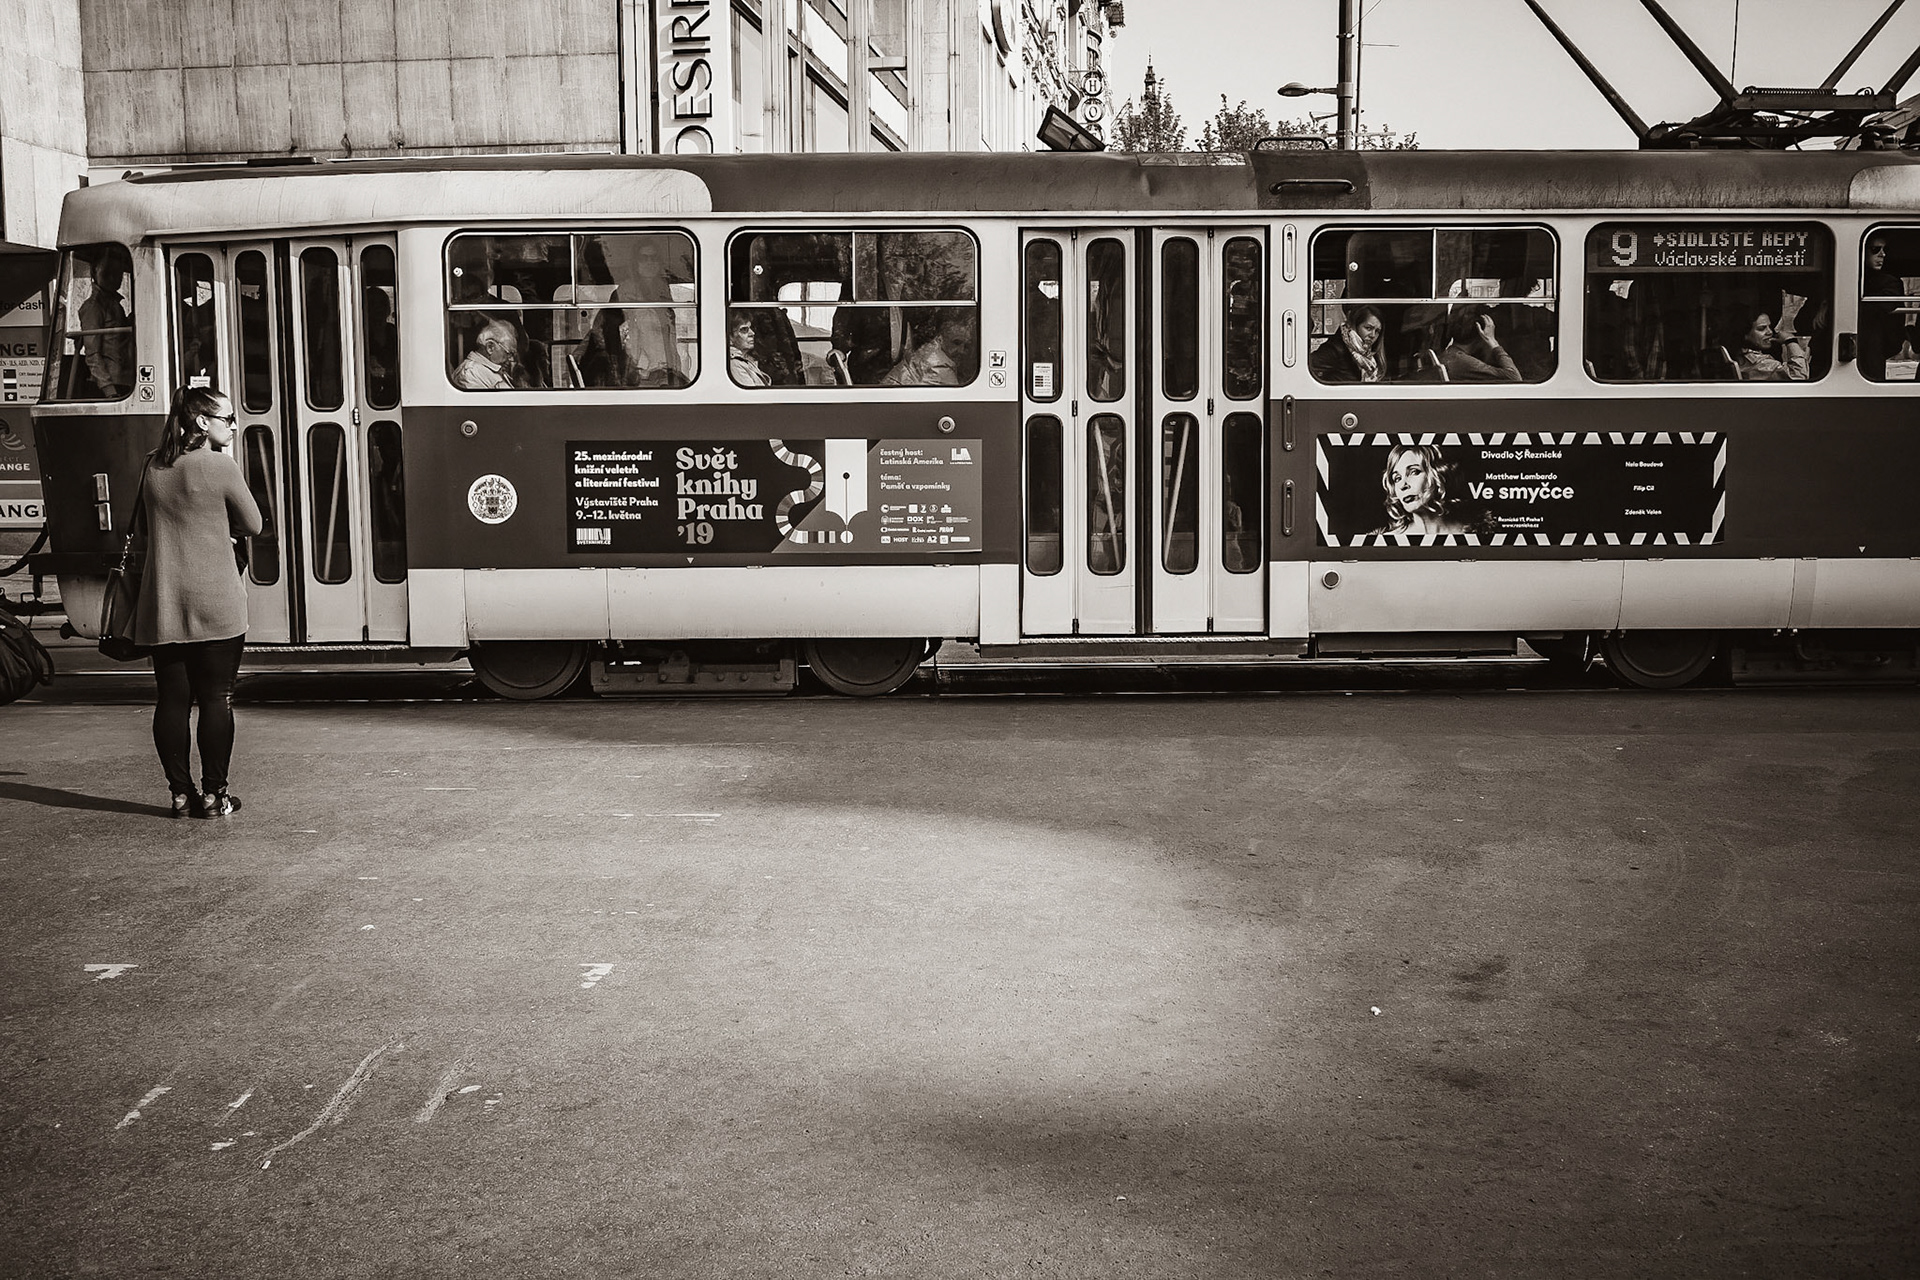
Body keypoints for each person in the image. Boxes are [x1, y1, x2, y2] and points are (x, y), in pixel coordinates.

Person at [135, 386, 264, 818]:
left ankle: (178, 793)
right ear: (202, 422)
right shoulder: (219, 467)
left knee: (171, 700)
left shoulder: (152, 466)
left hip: (163, 602)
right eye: (227, 418)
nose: (233, 425)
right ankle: (214, 796)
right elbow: (254, 523)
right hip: (217, 604)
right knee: (215, 699)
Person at [1370, 442, 1470, 536]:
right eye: (1397, 478)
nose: (1402, 485)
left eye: (1414, 472)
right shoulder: (1385, 540)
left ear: (1438, 475)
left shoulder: (1477, 533)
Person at [1859, 237, 1915, 381]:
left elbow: (1884, 305)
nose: (1882, 254)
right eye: (1875, 249)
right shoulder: (1837, 280)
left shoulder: (1889, 282)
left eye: (1885, 249)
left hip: (1871, 354)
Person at [80, 251, 133, 398]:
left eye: (118, 273)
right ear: (94, 271)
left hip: (125, 379)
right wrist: (109, 391)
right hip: (108, 386)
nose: (113, 277)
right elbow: (92, 354)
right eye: (107, 272)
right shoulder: (94, 307)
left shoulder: (114, 304)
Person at [879, 314, 970, 387]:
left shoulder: (930, 349)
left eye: (965, 346)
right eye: (956, 343)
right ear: (940, 339)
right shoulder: (938, 364)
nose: (961, 350)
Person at [1439, 306, 1522, 383]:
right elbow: (1515, 379)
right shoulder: (1463, 362)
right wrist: (1493, 342)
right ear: (1482, 337)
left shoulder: (1452, 355)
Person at [1309, 304, 1385, 383]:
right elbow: (1307, 371)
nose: (1373, 335)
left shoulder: (1370, 356)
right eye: (1368, 328)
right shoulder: (1335, 349)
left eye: (1377, 331)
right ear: (1355, 326)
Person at [1733, 308, 1809, 382]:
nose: (1770, 332)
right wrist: (1790, 341)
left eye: (1770, 327)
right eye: (1761, 329)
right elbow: (1799, 377)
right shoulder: (1758, 364)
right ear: (1745, 334)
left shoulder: (1741, 355)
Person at [453, 319, 520, 390]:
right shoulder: (471, 373)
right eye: (508, 353)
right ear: (490, 347)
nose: (511, 359)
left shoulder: (490, 370)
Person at [728, 314, 772, 386]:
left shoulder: (746, 360)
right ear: (730, 338)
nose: (752, 333)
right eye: (744, 330)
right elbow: (752, 395)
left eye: (751, 328)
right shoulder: (735, 364)